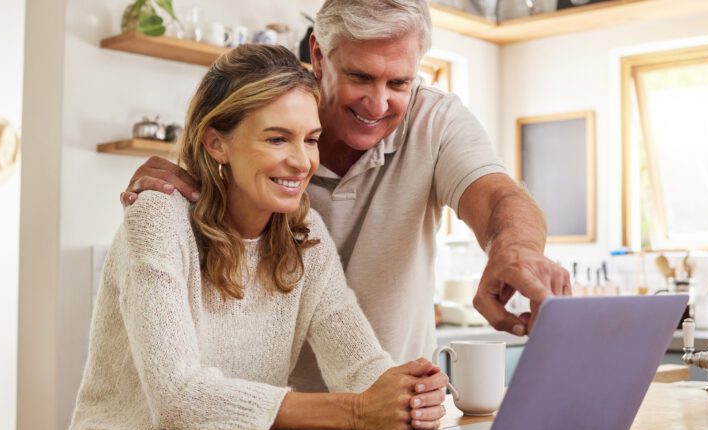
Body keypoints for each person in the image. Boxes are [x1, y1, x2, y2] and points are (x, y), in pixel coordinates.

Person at [120, 0, 571, 391]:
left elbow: (495, 196)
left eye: (399, 83)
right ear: (318, 54)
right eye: (360, 76)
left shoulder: (435, 121)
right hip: (261, 418)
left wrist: (514, 249)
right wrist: (190, 184)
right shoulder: (268, 118)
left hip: (381, 405)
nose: (378, 105)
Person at [68, 45, 448, 430]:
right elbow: (178, 397)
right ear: (217, 144)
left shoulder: (305, 236)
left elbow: (360, 367)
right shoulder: (158, 218)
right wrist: (356, 411)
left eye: (311, 140)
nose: (303, 162)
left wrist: (409, 393)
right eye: (278, 139)